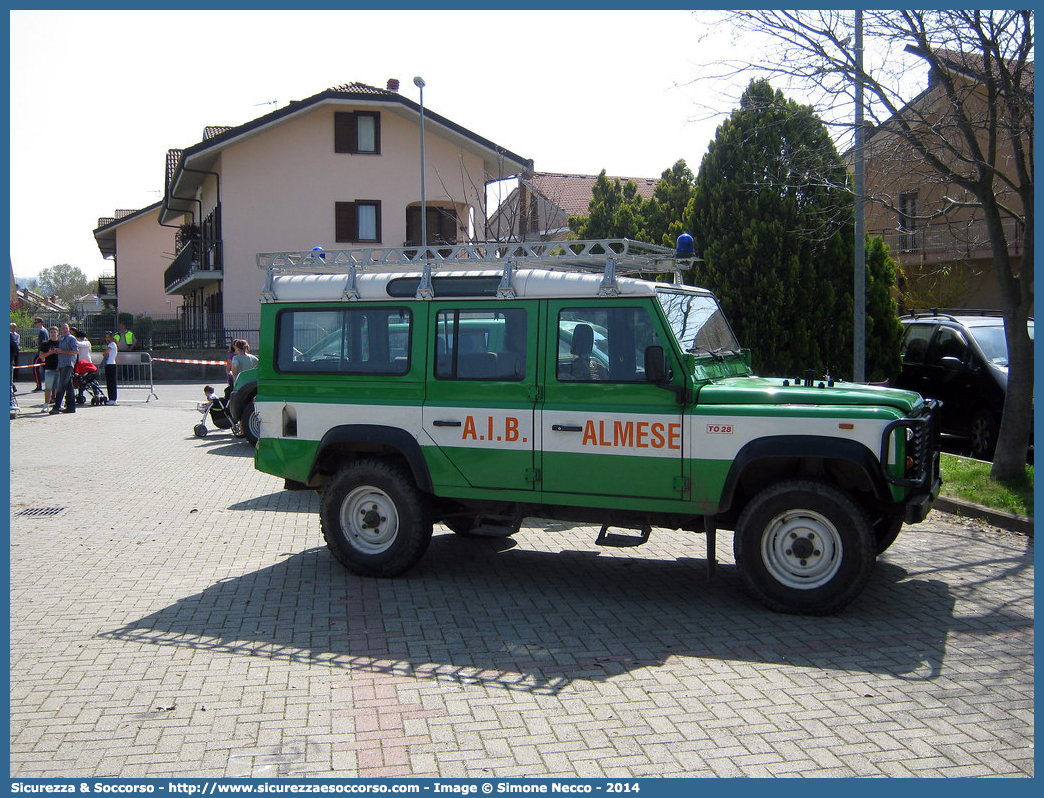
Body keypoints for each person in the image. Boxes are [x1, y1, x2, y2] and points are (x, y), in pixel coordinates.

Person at [48, 323, 79, 415]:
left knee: (61, 386)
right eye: (63, 328)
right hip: (62, 364)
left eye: (66, 328)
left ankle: (56, 407)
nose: (65, 329)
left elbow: (75, 351)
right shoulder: (61, 339)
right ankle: (71, 407)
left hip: (68, 365)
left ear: (68, 329)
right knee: (69, 387)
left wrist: (62, 351)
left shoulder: (71, 338)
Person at [39, 326, 59, 408]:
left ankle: (58, 404)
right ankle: (46, 404)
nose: (53, 334)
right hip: (49, 368)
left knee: (58, 387)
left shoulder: (61, 343)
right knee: (48, 387)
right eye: (51, 332)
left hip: (59, 368)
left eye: (54, 332)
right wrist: (50, 353)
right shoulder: (46, 344)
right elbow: (41, 355)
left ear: (57, 333)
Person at [100, 331, 118, 404]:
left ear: (111, 337)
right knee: (109, 382)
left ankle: (113, 399)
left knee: (111, 383)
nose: (107, 339)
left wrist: (104, 353)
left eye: (108, 337)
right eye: (106, 337)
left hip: (111, 364)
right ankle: (111, 398)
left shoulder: (112, 344)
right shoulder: (110, 344)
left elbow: (105, 353)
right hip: (108, 364)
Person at [32, 317, 47, 391]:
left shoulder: (42, 331)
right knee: (45, 368)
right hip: (44, 352)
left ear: (40, 323)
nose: (35, 324)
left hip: (41, 353)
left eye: (36, 322)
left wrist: (42, 353)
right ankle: (47, 385)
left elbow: (44, 342)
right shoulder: (44, 331)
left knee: (35, 368)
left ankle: (39, 385)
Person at [10, 322, 20, 391]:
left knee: (16, 365)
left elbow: (17, 343)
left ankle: (14, 379)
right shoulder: (9, 334)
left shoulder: (17, 335)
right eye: (12, 327)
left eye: (14, 327)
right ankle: (13, 386)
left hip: (14, 352)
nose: (13, 329)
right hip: (12, 352)